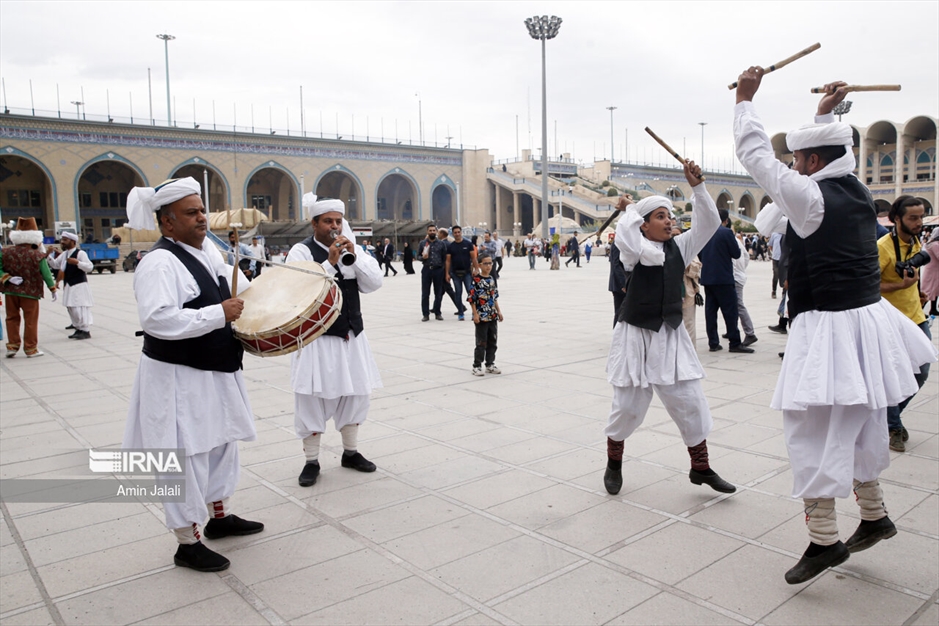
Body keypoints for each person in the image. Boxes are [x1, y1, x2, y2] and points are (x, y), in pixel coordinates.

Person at [734, 72, 936, 584]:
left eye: (798, 160)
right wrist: (826, 114)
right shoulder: (856, 188)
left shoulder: (810, 197)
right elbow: (833, 153)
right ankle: (873, 516)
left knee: (812, 429)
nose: (791, 167)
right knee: (865, 419)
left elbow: (756, 157)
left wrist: (743, 102)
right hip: (866, 320)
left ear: (812, 162)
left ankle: (823, 540)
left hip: (828, 325)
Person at [122, 177, 263, 573]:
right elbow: (158, 319)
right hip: (178, 378)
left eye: (202, 210)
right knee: (186, 454)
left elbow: (243, 292)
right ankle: (187, 542)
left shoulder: (207, 253)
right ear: (167, 222)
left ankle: (219, 517)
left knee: (221, 444)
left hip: (215, 369)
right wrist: (220, 313)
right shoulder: (159, 263)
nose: (202, 217)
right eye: (191, 212)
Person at [604, 161, 737, 499]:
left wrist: (697, 187)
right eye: (660, 216)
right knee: (628, 407)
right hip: (636, 333)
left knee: (690, 400)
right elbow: (626, 236)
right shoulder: (634, 251)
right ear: (644, 226)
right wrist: (632, 209)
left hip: (670, 334)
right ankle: (614, 463)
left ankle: (701, 467)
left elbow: (707, 223)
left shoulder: (681, 247)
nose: (668, 221)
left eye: (669, 216)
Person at [286, 194, 382, 488]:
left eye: (338, 221)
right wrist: (329, 264)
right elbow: (299, 290)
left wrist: (356, 257)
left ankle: (350, 452)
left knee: (355, 393)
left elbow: (374, 283)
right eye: (328, 221)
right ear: (314, 223)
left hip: (351, 335)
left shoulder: (351, 248)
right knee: (312, 398)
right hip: (317, 339)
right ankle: (312, 461)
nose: (334, 227)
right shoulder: (300, 252)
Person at [878, 196, 931, 453]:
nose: (919, 222)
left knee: (921, 372)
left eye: (921, 217)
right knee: (893, 375)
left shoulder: (915, 241)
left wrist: (917, 292)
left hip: (916, 317)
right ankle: (892, 425)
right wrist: (900, 286)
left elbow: (912, 275)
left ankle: (890, 418)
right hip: (891, 321)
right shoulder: (883, 247)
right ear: (897, 219)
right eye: (913, 217)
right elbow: (868, 285)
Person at [698, 209, 754, 353]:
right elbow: (736, 254)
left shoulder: (703, 233)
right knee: (730, 311)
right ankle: (734, 343)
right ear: (726, 220)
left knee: (710, 312)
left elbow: (699, 254)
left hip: (708, 278)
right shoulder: (726, 233)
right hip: (723, 278)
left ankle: (713, 343)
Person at [2, 217, 57, 357]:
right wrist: (52, 288)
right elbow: (46, 273)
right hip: (30, 293)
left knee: (11, 318)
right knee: (30, 321)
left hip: (11, 291)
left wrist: (8, 278)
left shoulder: (5, 252)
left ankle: (12, 346)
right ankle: (30, 348)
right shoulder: (37, 255)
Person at [51, 231, 94, 339]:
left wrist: (78, 263)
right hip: (69, 285)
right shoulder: (65, 254)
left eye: (65, 240)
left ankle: (85, 330)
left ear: (73, 241)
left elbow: (89, 267)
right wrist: (48, 256)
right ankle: (78, 328)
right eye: (62, 240)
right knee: (71, 307)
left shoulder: (80, 253)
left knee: (79, 307)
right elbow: (56, 265)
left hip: (79, 284)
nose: (62, 242)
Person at [469, 253, 503, 376]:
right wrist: (475, 314)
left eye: (490, 263)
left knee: (492, 340)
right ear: (479, 265)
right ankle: (477, 365)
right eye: (486, 263)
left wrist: (498, 311)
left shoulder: (491, 279)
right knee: (481, 342)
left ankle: (490, 363)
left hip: (492, 315)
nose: (488, 266)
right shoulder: (476, 280)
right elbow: (472, 299)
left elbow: (494, 297)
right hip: (481, 316)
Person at [446, 226, 479, 321]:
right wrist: (447, 274)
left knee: (470, 292)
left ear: (461, 233)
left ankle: (474, 312)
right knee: (458, 293)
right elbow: (448, 261)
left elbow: (473, 258)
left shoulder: (468, 244)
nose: (457, 234)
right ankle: (460, 313)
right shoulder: (450, 246)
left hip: (467, 273)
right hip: (455, 274)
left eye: (458, 232)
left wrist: (476, 269)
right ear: (453, 234)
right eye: (455, 232)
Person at [732, 232, 758, 346]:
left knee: (738, 305)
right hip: (740, 276)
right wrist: (742, 269)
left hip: (735, 278)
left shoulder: (730, 241)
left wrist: (733, 275)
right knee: (733, 305)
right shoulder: (736, 240)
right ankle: (732, 329)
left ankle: (750, 333)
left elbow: (732, 262)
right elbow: (746, 257)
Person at [418, 224, 447, 321]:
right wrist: (423, 258)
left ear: (436, 232)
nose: (432, 232)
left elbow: (444, 258)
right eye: (430, 230)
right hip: (426, 269)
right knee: (425, 293)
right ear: (427, 232)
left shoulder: (441, 244)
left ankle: (437, 312)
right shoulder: (423, 243)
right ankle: (425, 314)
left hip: (438, 270)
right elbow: (418, 256)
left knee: (438, 293)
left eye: (434, 230)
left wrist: (443, 270)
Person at [607, 232, 629, 328]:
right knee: (619, 312)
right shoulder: (617, 244)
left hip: (623, 283)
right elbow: (616, 264)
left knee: (624, 312)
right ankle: (617, 336)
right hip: (619, 285)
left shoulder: (624, 243)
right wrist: (624, 284)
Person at [922, 228, 939, 318]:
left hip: (935, 271)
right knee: (929, 291)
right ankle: (920, 309)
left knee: (935, 291)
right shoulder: (934, 244)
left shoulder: (932, 243)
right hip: (932, 272)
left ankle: (933, 309)